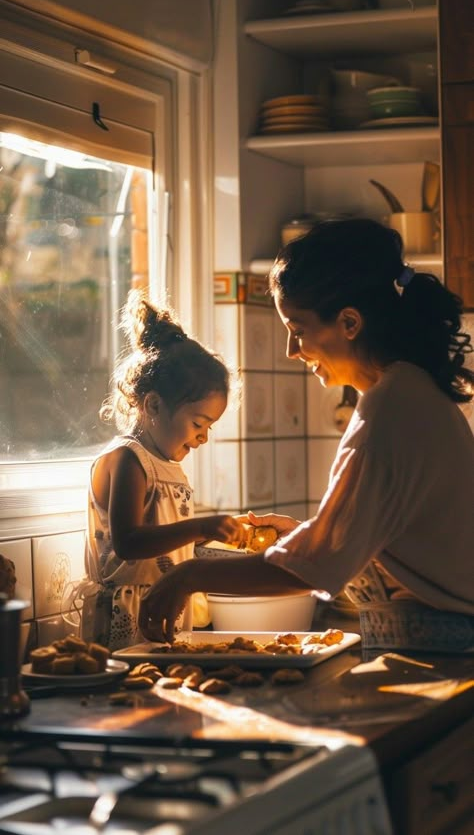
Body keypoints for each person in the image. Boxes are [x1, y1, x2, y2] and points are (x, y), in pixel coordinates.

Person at [139, 218, 474, 654]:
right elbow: (375, 539)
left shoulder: (387, 411)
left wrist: (189, 576)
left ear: (349, 322)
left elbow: (315, 568)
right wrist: (302, 534)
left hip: (446, 648)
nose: (291, 351)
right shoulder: (408, 391)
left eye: (297, 330)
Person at [76, 290, 246, 650]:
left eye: (209, 427)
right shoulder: (129, 460)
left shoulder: (168, 467)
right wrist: (201, 525)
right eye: (199, 423)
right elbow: (129, 542)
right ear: (153, 404)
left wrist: (218, 534)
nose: (203, 437)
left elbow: (167, 540)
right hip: (128, 611)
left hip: (166, 601)